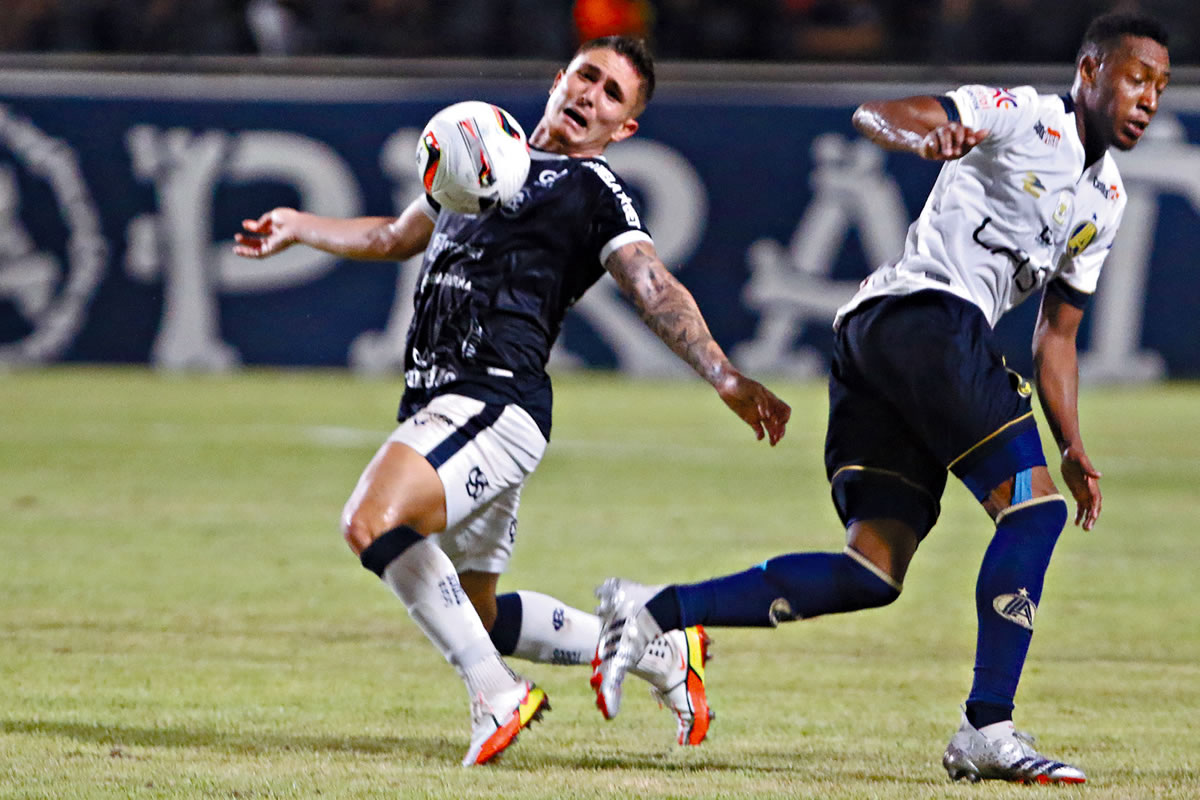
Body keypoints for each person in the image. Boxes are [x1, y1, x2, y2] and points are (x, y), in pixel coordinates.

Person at [591, 12, 1169, 784]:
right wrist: (925, 136)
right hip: (924, 321)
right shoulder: (1028, 116)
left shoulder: (1107, 201)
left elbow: (1055, 338)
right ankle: (987, 726)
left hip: (876, 342)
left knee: (872, 570)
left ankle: (653, 609)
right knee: (1033, 514)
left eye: (1161, 86)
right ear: (1090, 70)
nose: (1148, 98)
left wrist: (1071, 444)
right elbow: (883, 112)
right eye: (1137, 77)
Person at [233, 35, 791, 766]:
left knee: (371, 521)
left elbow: (650, 282)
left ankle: (496, 693)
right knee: (479, 614)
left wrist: (721, 373)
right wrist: (299, 227)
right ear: (559, 79)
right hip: (448, 404)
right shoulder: (486, 155)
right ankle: (659, 650)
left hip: (491, 402)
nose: (592, 95)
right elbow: (397, 235)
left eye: (613, 94)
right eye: (587, 75)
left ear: (624, 128)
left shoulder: (591, 187)